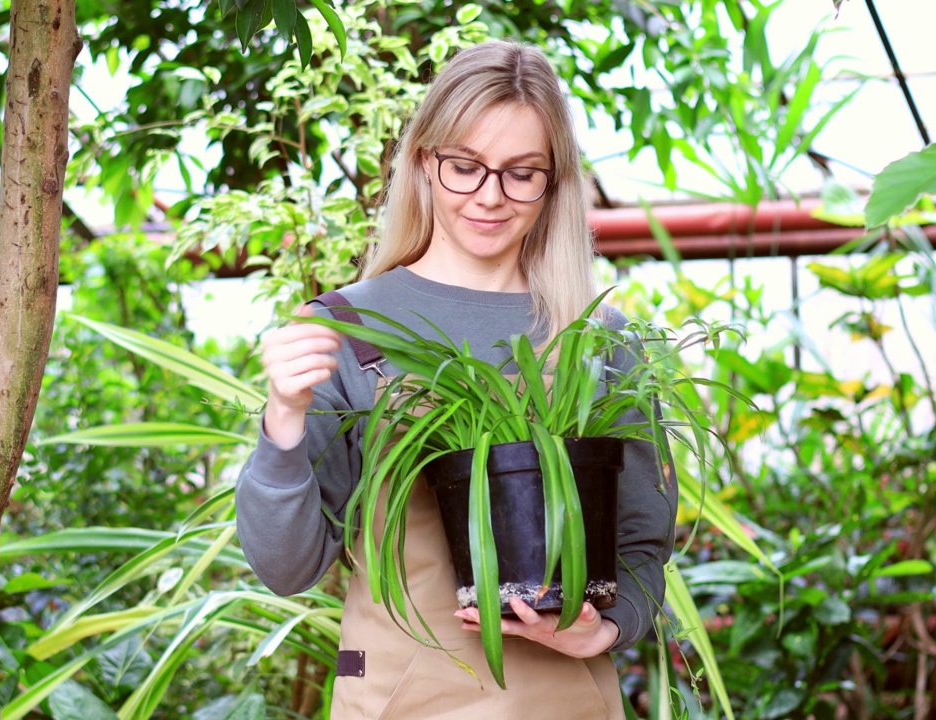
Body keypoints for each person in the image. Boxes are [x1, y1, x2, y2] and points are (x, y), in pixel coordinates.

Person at [235, 40, 678, 719]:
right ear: (422, 162)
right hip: (395, 699)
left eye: (521, 173)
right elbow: (286, 568)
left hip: (565, 703)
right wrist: (283, 420)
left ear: (554, 182)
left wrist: (604, 629)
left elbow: (645, 545)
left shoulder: (600, 340)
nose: (490, 197)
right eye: (464, 167)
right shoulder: (349, 329)